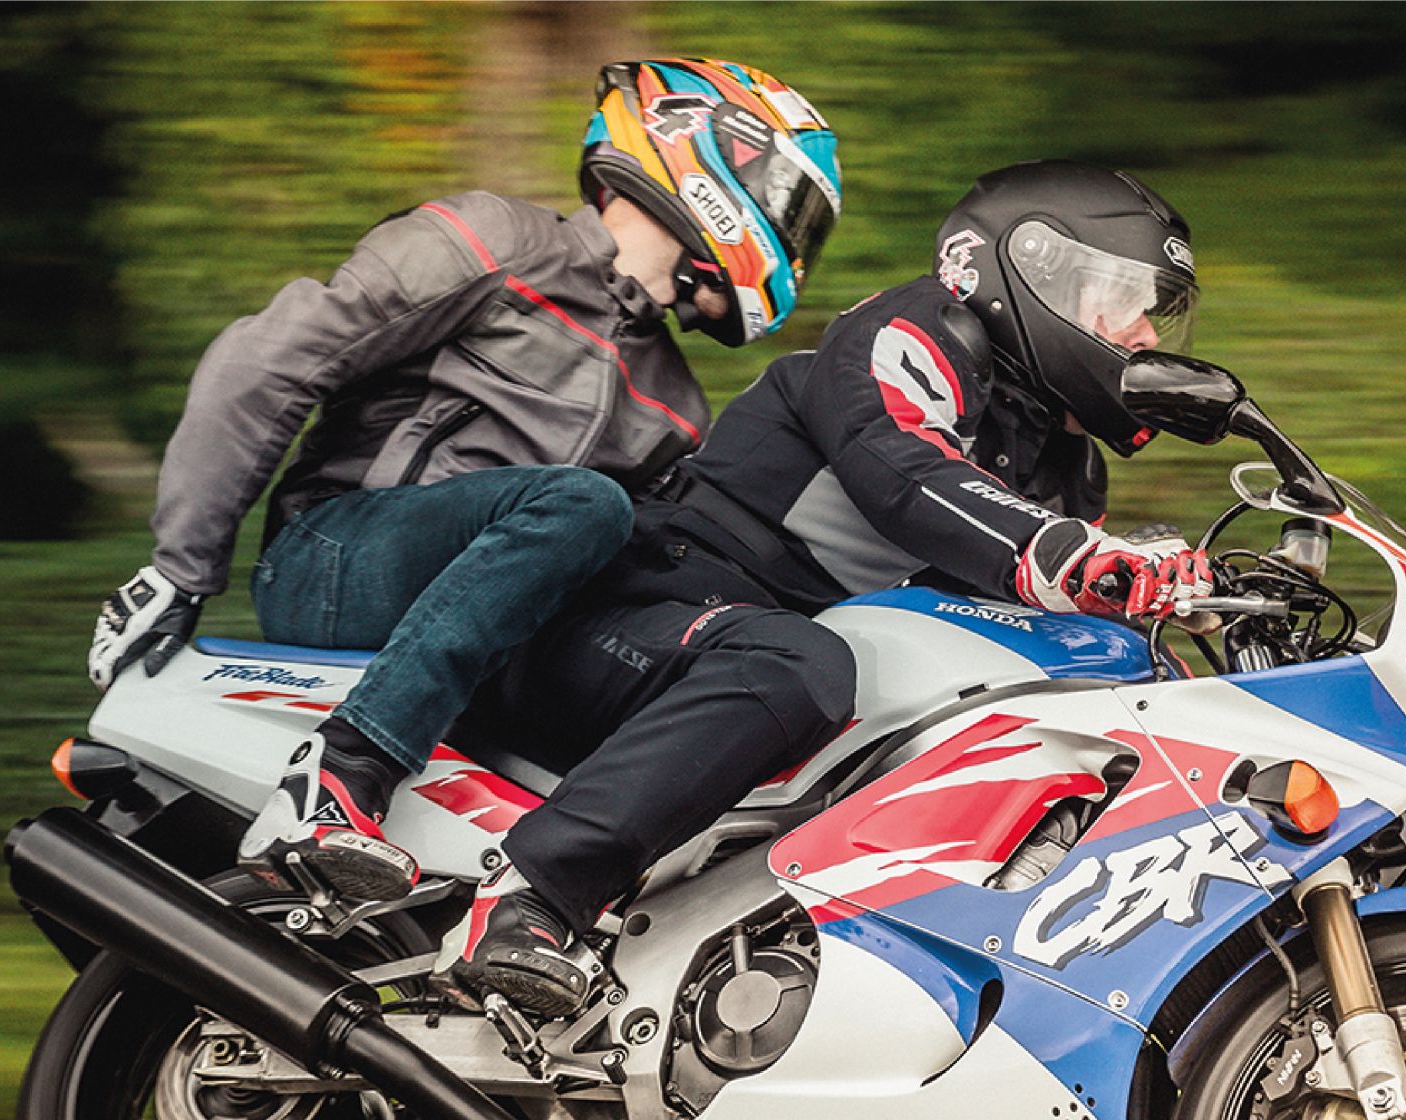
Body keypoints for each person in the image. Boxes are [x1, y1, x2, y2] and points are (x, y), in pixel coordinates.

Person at [448, 160, 1216, 1018]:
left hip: (749, 687)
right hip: (629, 618)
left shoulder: (1066, 468)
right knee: (798, 662)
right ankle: (529, 897)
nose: (1143, 332)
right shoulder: (916, 332)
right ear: (1034, 274)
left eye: (1155, 310)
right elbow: (902, 467)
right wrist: (1070, 555)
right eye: (1122, 298)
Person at [86, 59, 842, 903]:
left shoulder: (677, 404)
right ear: (701, 150)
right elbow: (264, 364)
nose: (794, 239)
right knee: (582, 503)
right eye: (790, 205)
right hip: (333, 558)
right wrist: (181, 567)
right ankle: (338, 779)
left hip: (496, 629)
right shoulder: (496, 240)